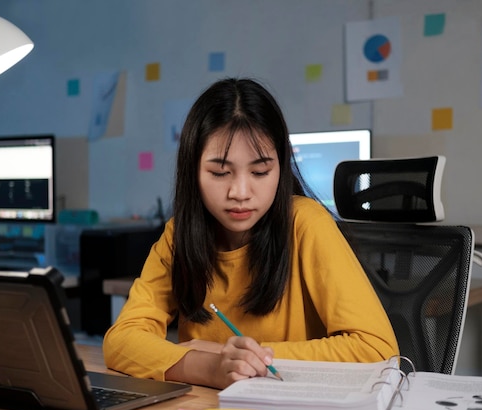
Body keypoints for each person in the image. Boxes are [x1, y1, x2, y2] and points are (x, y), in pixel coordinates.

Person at [103, 77, 399, 389]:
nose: (241, 192)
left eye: (260, 172)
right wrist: (208, 367)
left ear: (281, 168)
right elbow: (121, 339)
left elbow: (377, 350)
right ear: (193, 171)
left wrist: (227, 357)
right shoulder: (180, 235)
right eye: (219, 173)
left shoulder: (306, 223)